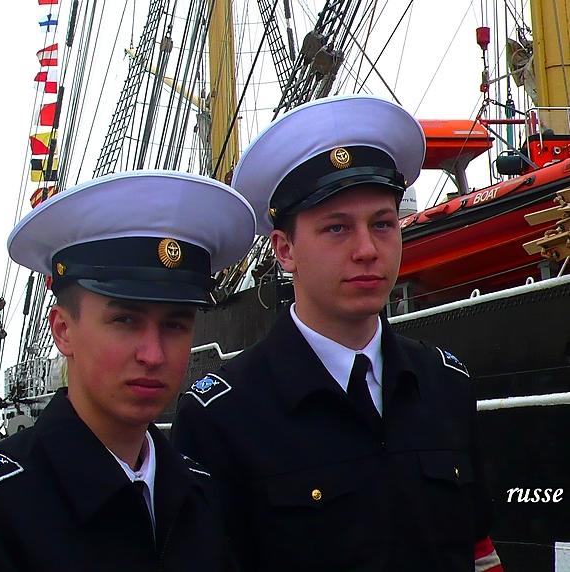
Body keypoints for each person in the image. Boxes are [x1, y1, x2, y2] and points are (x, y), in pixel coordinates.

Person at [172, 96, 503, 571]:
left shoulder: (445, 385)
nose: (368, 250)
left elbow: (479, 552)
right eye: (337, 229)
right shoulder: (223, 417)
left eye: (383, 224)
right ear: (285, 250)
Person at [0, 170, 256, 571]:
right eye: (125, 321)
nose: (153, 354)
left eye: (175, 324)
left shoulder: (203, 493)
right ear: (63, 331)